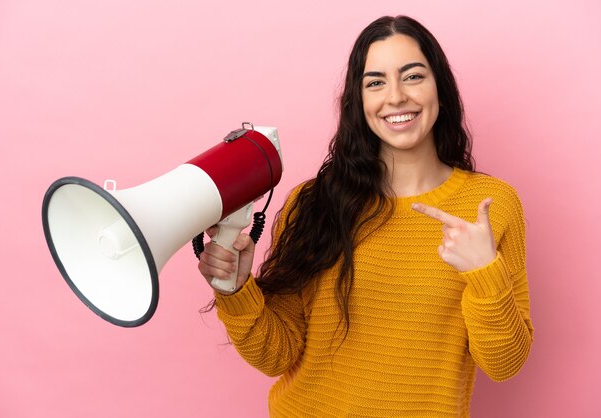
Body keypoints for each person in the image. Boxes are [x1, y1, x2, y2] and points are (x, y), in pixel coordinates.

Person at [198, 15, 533, 417]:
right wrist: (236, 290)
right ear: (359, 102)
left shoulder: (491, 205)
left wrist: (485, 273)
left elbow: (504, 364)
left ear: (440, 88)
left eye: (412, 76)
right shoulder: (316, 202)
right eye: (375, 82)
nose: (395, 97)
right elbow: (277, 355)